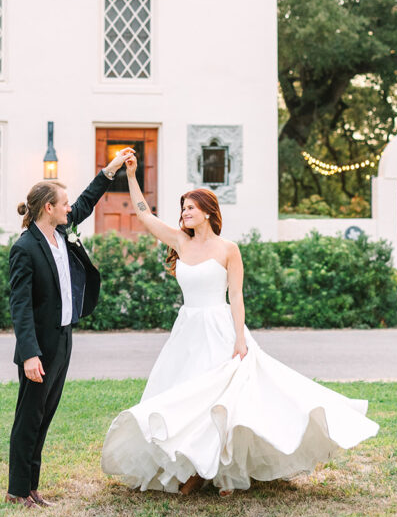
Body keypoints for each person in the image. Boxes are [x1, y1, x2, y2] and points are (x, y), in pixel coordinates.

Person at [101, 155, 379, 495]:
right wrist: (131, 175)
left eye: (190, 208)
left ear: (207, 211)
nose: (185, 213)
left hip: (220, 327)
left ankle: (221, 470)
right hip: (187, 330)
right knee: (185, 397)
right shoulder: (180, 241)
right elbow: (144, 214)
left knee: (225, 398)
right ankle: (192, 467)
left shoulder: (228, 249)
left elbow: (236, 297)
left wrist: (240, 338)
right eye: (183, 209)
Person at [6, 147, 134, 507]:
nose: (68, 208)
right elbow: (20, 307)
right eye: (63, 204)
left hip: (64, 337)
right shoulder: (25, 248)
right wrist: (29, 354)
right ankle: (17, 491)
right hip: (40, 345)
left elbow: (87, 200)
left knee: (45, 416)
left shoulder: (61, 233)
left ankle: (32, 487)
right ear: (48, 208)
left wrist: (111, 170)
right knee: (28, 418)